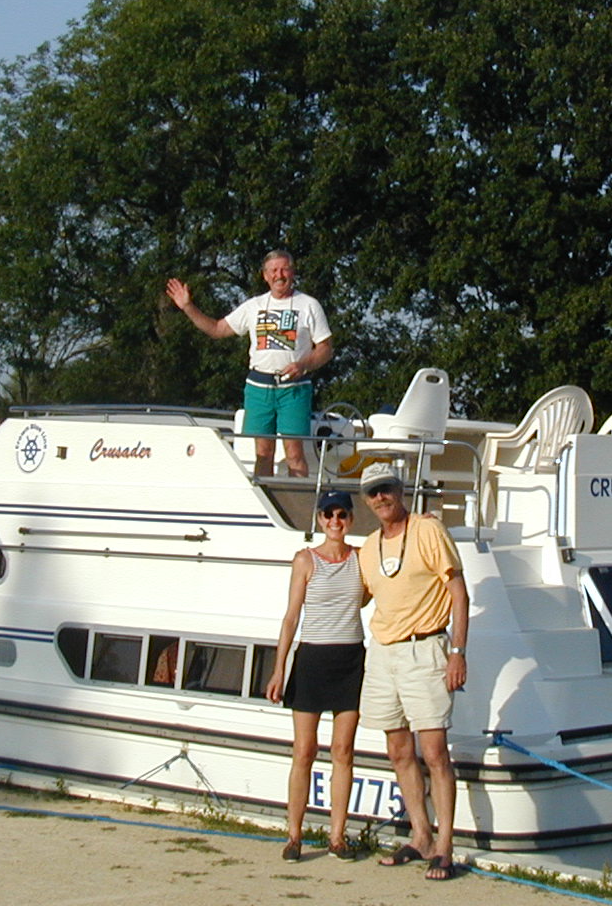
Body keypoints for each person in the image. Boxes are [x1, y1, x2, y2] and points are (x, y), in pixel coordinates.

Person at [354, 462, 469, 881]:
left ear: (399, 490)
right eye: (372, 492)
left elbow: (459, 592)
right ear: (365, 500)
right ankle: (420, 835)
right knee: (399, 752)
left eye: (386, 489)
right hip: (383, 654)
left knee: (436, 753)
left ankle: (445, 846)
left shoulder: (428, 530)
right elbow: (362, 594)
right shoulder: (367, 547)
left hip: (427, 649)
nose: (380, 498)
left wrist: (458, 652)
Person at [166, 250, 333, 478]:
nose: (279, 275)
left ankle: (298, 504)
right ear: (265, 276)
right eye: (273, 270)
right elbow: (217, 329)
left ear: (292, 272)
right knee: (263, 453)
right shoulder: (254, 305)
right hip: (259, 387)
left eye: (284, 269)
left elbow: (325, 348)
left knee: (294, 453)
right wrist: (188, 307)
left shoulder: (309, 305)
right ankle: (266, 504)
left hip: (294, 389)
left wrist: (303, 364)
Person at [266, 489, 367, 862]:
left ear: (351, 519)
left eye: (342, 514)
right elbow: (291, 616)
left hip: (350, 659)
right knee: (304, 751)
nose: (335, 522)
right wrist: (279, 669)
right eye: (329, 515)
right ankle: (294, 835)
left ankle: (337, 837)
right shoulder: (305, 560)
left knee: (343, 751)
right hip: (311, 660)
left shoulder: (361, 558)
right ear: (320, 519)